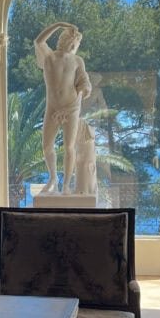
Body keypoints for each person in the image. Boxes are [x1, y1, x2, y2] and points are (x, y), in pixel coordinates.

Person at [34, 22, 92, 193]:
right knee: (47, 145)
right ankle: (53, 178)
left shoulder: (77, 60)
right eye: (73, 42)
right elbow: (38, 41)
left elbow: (84, 82)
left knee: (69, 146)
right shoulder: (49, 57)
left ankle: (66, 184)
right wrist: (58, 24)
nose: (74, 46)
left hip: (71, 108)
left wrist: (83, 91)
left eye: (76, 44)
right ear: (65, 39)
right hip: (52, 109)